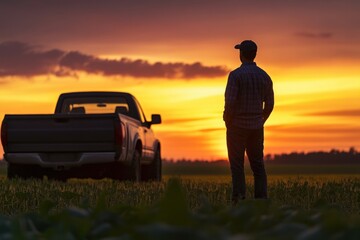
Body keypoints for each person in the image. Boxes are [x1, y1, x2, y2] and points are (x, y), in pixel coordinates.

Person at [223, 40, 274, 203]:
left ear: (242, 54)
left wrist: (228, 120)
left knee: (237, 166)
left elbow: (230, 102)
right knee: (258, 166)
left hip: (237, 126)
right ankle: (261, 200)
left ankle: (239, 200)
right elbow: (270, 104)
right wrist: (261, 119)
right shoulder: (265, 76)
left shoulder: (235, 75)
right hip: (256, 128)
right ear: (254, 54)